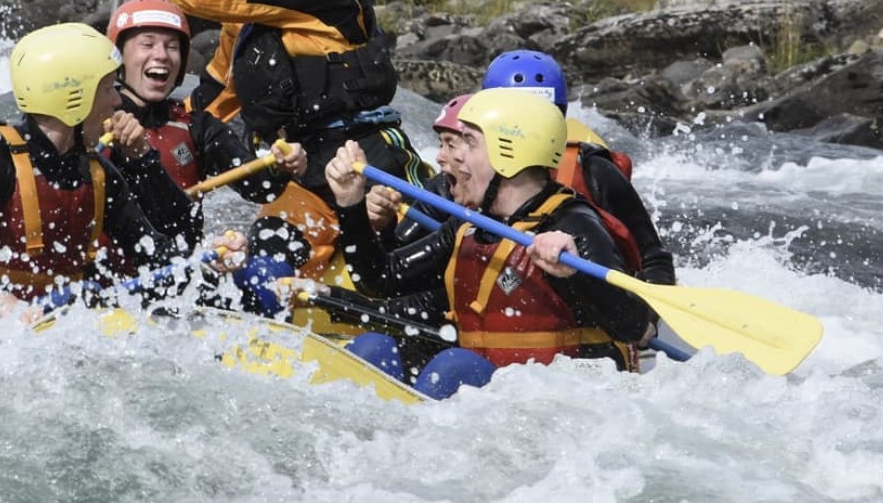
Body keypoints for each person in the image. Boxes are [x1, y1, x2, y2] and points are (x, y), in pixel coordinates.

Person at [110, 0, 433, 314]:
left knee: (414, 243)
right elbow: (214, 97)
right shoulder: (243, 22)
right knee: (266, 254)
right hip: (307, 168)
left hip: (369, 154)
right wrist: (153, 122)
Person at [290, 88, 652, 400]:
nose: (451, 156)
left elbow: (634, 326)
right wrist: (350, 205)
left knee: (455, 366)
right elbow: (381, 280)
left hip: (554, 399)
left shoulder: (573, 224)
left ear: (510, 153)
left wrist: (575, 273)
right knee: (373, 349)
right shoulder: (468, 226)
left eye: (468, 142)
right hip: (482, 394)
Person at [0, 22, 247, 337]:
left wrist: (207, 257)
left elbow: (153, 251)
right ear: (73, 98)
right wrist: (4, 302)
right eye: (108, 89)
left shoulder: (96, 172)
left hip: (48, 322)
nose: (117, 100)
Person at [102, 0, 310, 313]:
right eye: (147, 44)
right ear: (119, 56)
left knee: (272, 256)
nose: (162, 55)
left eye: (172, 47)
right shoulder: (96, 125)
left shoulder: (196, 126)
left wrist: (283, 165)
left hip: (181, 278)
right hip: (116, 284)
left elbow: (261, 188)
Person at [480, 50, 676, 291]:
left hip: (584, 299)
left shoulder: (595, 171)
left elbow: (654, 258)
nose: (523, 126)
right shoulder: (469, 171)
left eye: (536, 115)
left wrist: (651, 304)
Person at [364, 94, 472, 248]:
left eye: (451, 145)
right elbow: (394, 254)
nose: (439, 157)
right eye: (441, 145)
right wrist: (382, 226)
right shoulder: (442, 189)